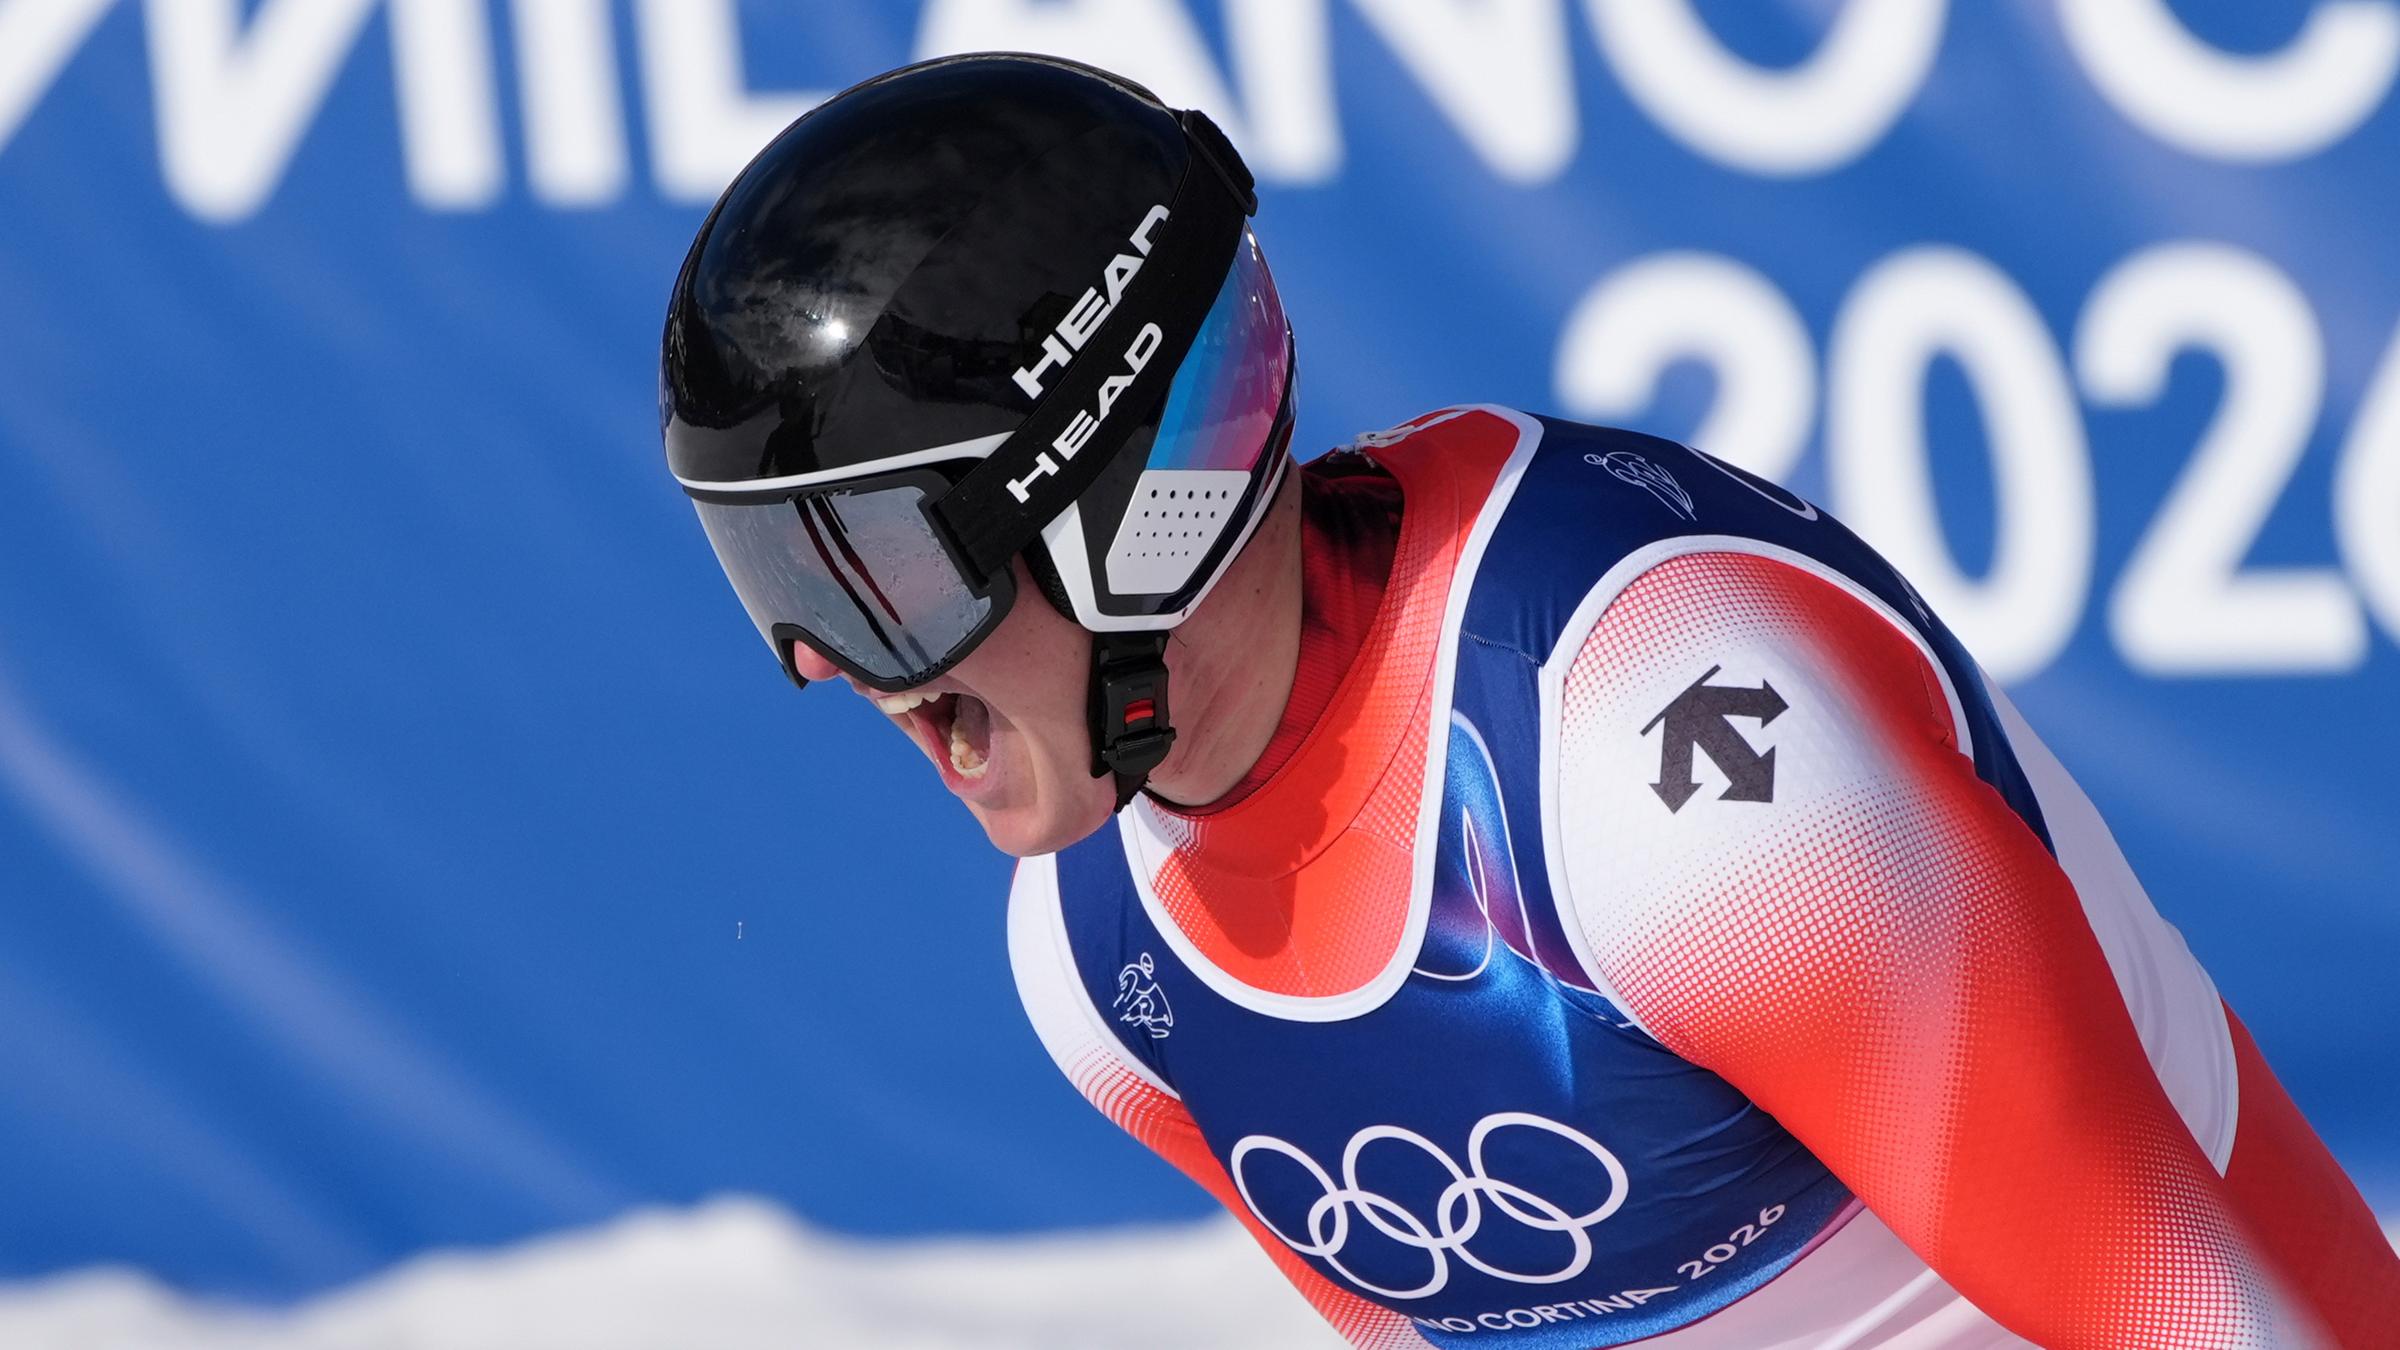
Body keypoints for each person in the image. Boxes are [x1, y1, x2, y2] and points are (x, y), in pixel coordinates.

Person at [658, 52, 2399, 1349]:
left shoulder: (1657, 767)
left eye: (875, 579)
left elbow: (2210, 1326)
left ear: (1122, 505)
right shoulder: (1105, 967)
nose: (826, 669)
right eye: (782, 589)